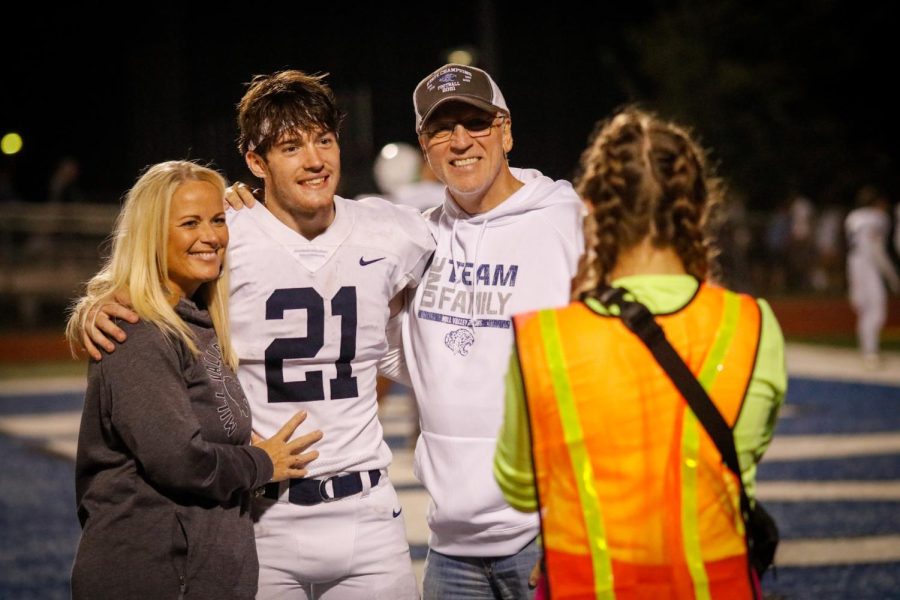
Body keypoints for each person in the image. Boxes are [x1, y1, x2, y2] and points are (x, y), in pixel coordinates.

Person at [76, 71, 433, 599]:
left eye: (324, 140)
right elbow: (145, 284)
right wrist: (96, 306)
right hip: (260, 515)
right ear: (255, 161)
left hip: (369, 513)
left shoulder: (394, 229)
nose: (315, 160)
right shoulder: (224, 235)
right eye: (291, 146)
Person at [494, 109, 787, 598]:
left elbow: (521, 487)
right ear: (698, 206)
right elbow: (741, 461)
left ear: (592, 208)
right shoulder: (752, 323)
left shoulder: (543, 337)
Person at [66, 161, 323, 600]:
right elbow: (180, 462)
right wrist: (264, 463)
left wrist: (247, 202)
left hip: (194, 571)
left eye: (218, 220)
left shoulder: (197, 320)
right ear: (151, 235)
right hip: (152, 574)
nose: (211, 236)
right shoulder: (138, 330)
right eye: (190, 223)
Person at [403, 63, 584, 599]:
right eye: (442, 128)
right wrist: (240, 211)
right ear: (424, 146)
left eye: (475, 122)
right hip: (450, 544)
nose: (460, 141)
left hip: (544, 535)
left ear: (505, 130)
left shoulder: (569, 222)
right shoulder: (413, 237)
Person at [845, 185, 900, 369]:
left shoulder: (852, 217)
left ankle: (868, 350)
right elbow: (876, 250)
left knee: (863, 310)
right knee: (876, 310)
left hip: (853, 264)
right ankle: (870, 352)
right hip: (868, 266)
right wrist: (892, 276)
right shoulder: (878, 218)